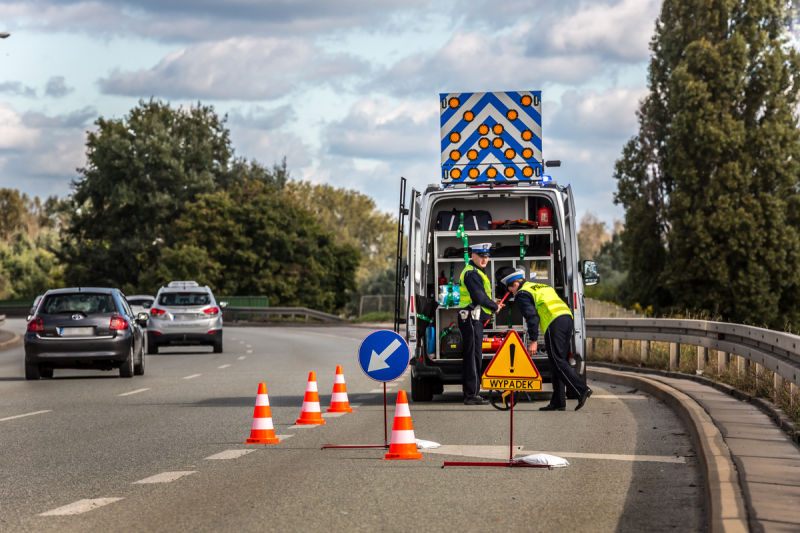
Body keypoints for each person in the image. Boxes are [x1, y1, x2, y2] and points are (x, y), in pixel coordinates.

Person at [499, 268, 592, 411]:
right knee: (557, 361)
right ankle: (558, 401)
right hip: (567, 319)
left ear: (515, 285)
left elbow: (532, 317)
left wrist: (534, 341)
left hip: (553, 321)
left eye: (510, 290)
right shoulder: (541, 286)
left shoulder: (522, 294)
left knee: (557, 361)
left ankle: (581, 390)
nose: (512, 293)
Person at [458, 243, 504, 405]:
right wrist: (494, 306)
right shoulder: (471, 273)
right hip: (471, 319)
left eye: (486, 256)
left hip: (473, 318)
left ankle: (471, 393)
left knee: (473, 355)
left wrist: (492, 302)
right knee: (473, 356)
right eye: (481, 256)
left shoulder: (477, 272)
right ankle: (471, 395)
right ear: (473, 256)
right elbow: (478, 297)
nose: (485, 259)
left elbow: (479, 297)